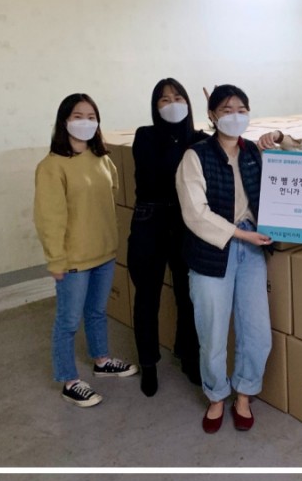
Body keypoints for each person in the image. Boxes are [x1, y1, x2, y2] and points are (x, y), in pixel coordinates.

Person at [175, 84, 302, 434]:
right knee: (213, 332)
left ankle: (244, 394)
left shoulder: (254, 152)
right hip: (212, 251)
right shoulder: (196, 156)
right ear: (212, 115)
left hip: (251, 251)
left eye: (242, 110)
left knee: (257, 331)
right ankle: (217, 396)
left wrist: (280, 137)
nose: (235, 116)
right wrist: (241, 234)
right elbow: (195, 213)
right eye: (227, 110)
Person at [34, 93, 138, 408]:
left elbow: (111, 193)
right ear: (64, 121)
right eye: (78, 116)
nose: (85, 122)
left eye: (91, 117)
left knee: (96, 311)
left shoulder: (101, 158)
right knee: (68, 321)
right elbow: (49, 218)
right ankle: (69, 380)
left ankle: (102, 360)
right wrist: (56, 259)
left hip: (104, 252)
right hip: (73, 260)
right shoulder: (52, 166)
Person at [128, 78, 209, 397]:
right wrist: (189, 147)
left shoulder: (200, 138)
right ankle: (148, 363)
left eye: (178, 98)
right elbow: (159, 175)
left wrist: (215, 121)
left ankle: (188, 356)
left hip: (186, 222)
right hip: (151, 221)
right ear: (155, 106)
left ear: (188, 103)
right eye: (164, 100)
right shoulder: (145, 136)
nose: (172, 104)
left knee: (187, 295)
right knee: (147, 295)